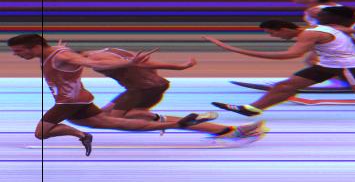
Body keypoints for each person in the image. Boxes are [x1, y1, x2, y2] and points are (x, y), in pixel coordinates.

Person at [7, 34, 218, 156]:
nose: (17, 55)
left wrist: (129, 63)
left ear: (36, 47)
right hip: (80, 99)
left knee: (41, 133)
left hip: (69, 102)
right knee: (116, 123)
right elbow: (67, 55)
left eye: (20, 51)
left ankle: (81, 135)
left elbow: (89, 62)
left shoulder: (65, 57)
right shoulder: (55, 52)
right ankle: (179, 124)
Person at [205, 20, 355, 117]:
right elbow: (347, 31)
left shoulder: (308, 34)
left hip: (349, 65)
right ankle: (252, 109)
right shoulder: (317, 27)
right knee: (286, 85)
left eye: (273, 33)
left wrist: (235, 50)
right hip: (328, 64)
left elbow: (290, 55)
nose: (274, 37)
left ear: (284, 29)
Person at [79, 46, 264, 140]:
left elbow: (126, 64)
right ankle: (227, 130)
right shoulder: (112, 50)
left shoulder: (95, 61)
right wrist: (178, 67)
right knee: (104, 114)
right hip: (152, 86)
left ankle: (225, 130)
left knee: (119, 119)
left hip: (140, 90)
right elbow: (145, 64)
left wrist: (129, 65)